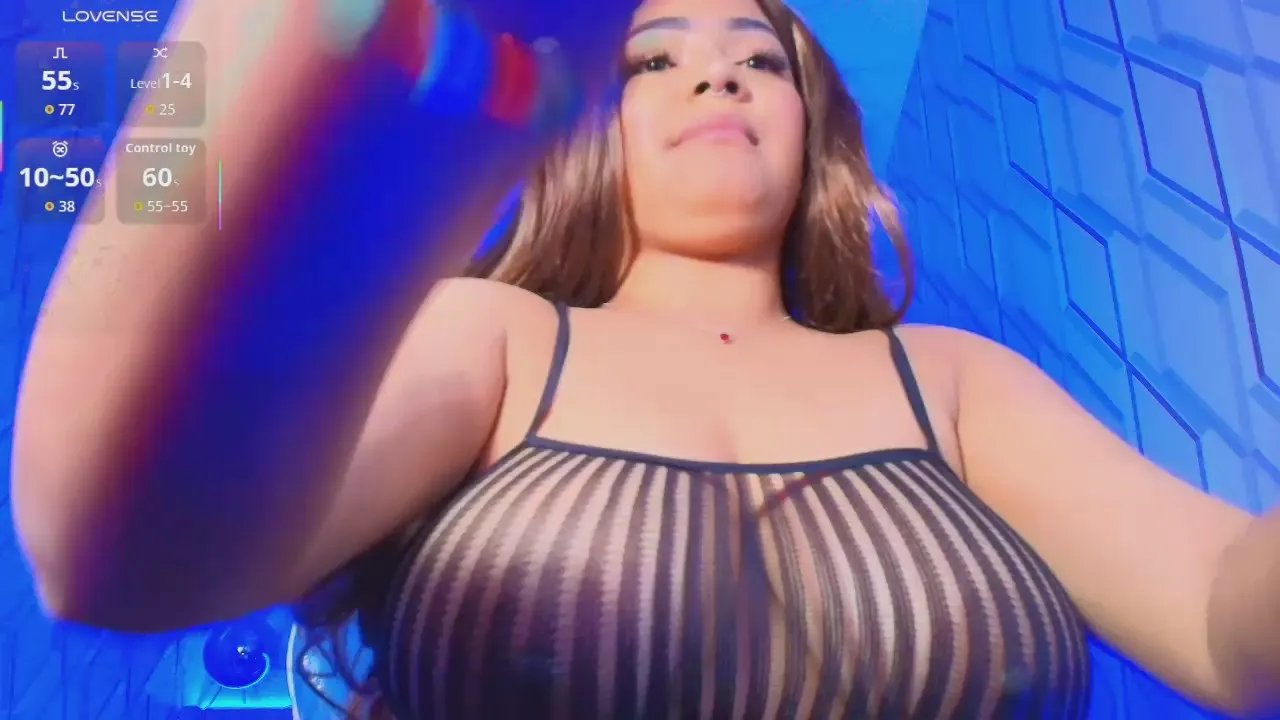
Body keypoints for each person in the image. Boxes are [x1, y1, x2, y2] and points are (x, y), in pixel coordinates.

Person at [11, 0, 1279, 718]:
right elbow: (134, 557)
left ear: (815, 129)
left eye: (759, 59)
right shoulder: (495, 334)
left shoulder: (952, 378)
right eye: (653, 58)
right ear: (584, 124)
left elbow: (1227, 617)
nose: (715, 78)